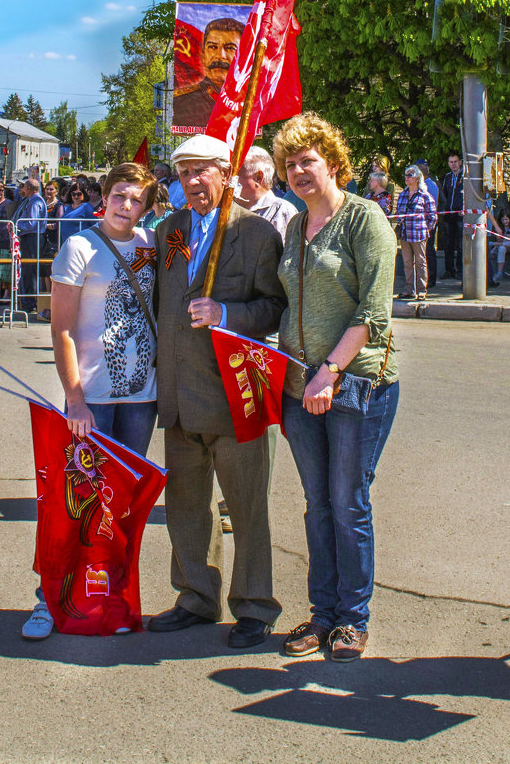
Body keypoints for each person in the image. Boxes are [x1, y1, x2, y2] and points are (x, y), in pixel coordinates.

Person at [148, 134, 285, 649]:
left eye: (204, 171)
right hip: (180, 394)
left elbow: (274, 307)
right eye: (185, 173)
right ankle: (195, 596)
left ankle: (253, 606)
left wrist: (226, 315)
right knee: (186, 504)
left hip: (234, 395)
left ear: (226, 174)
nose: (194, 181)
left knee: (247, 506)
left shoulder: (255, 234)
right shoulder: (168, 231)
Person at [272, 111, 399, 663]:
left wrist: (331, 371)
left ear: (333, 163)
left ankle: (352, 619)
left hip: (356, 384)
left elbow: (375, 308)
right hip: (299, 386)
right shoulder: (295, 227)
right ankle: (322, 613)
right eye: (290, 164)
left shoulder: (364, 218)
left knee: (348, 503)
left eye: (308, 161)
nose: (299, 171)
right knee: (317, 505)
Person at [22, 162, 160, 641]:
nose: (127, 206)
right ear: (105, 196)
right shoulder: (79, 246)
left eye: (136, 199)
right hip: (93, 397)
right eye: (120, 195)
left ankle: (112, 600)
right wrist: (74, 397)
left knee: (120, 506)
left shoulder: (150, 245)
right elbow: (60, 327)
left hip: (142, 396)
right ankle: (50, 602)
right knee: (76, 503)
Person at [172, 17, 245, 130]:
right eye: (212, 47)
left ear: (244, 55)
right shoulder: (181, 103)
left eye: (230, 48)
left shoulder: (253, 100)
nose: (220, 56)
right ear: (203, 53)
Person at [235, 146, 298, 238]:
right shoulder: (231, 210)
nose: (230, 180)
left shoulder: (281, 211)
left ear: (258, 178)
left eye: (236, 175)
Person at [395, 165, 435, 300]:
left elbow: (432, 216)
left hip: (419, 235)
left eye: (409, 175)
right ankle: (409, 289)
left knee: (420, 262)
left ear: (417, 178)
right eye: (405, 175)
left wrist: (425, 229)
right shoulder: (403, 194)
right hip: (405, 234)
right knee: (407, 262)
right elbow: (398, 212)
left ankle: (422, 289)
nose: (406, 178)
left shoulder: (424, 195)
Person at [13, 178, 48, 315]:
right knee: (28, 270)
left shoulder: (35, 202)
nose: (22, 190)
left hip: (32, 238)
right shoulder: (31, 201)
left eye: (23, 187)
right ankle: (28, 300)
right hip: (31, 237)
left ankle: (30, 301)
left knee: (30, 269)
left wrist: (17, 225)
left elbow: (31, 223)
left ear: (29, 188)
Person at [439, 153, 465, 279]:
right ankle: (449, 270)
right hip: (449, 214)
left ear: (460, 162)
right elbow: (444, 195)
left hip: (461, 214)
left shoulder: (465, 176)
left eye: (455, 161)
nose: (453, 164)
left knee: (460, 244)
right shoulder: (448, 177)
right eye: (451, 162)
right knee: (448, 243)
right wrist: (444, 209)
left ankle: (460, 270)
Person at [416, 159, 439, 288]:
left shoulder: (431, 185)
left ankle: (431, 278)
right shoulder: (419, 184)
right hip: (418, 225)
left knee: (429, 250)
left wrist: (430, 225)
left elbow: (432, 206)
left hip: (427, 224)